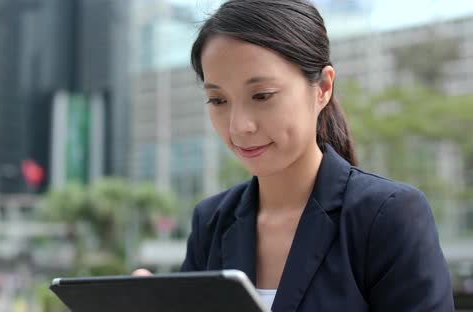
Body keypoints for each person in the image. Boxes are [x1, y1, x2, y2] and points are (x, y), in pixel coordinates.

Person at [134, 0, 454, 311]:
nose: (239, 126)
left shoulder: (386, 216)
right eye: (218, 100)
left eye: (262, 96)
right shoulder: (212, 221)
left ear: (323, 88)